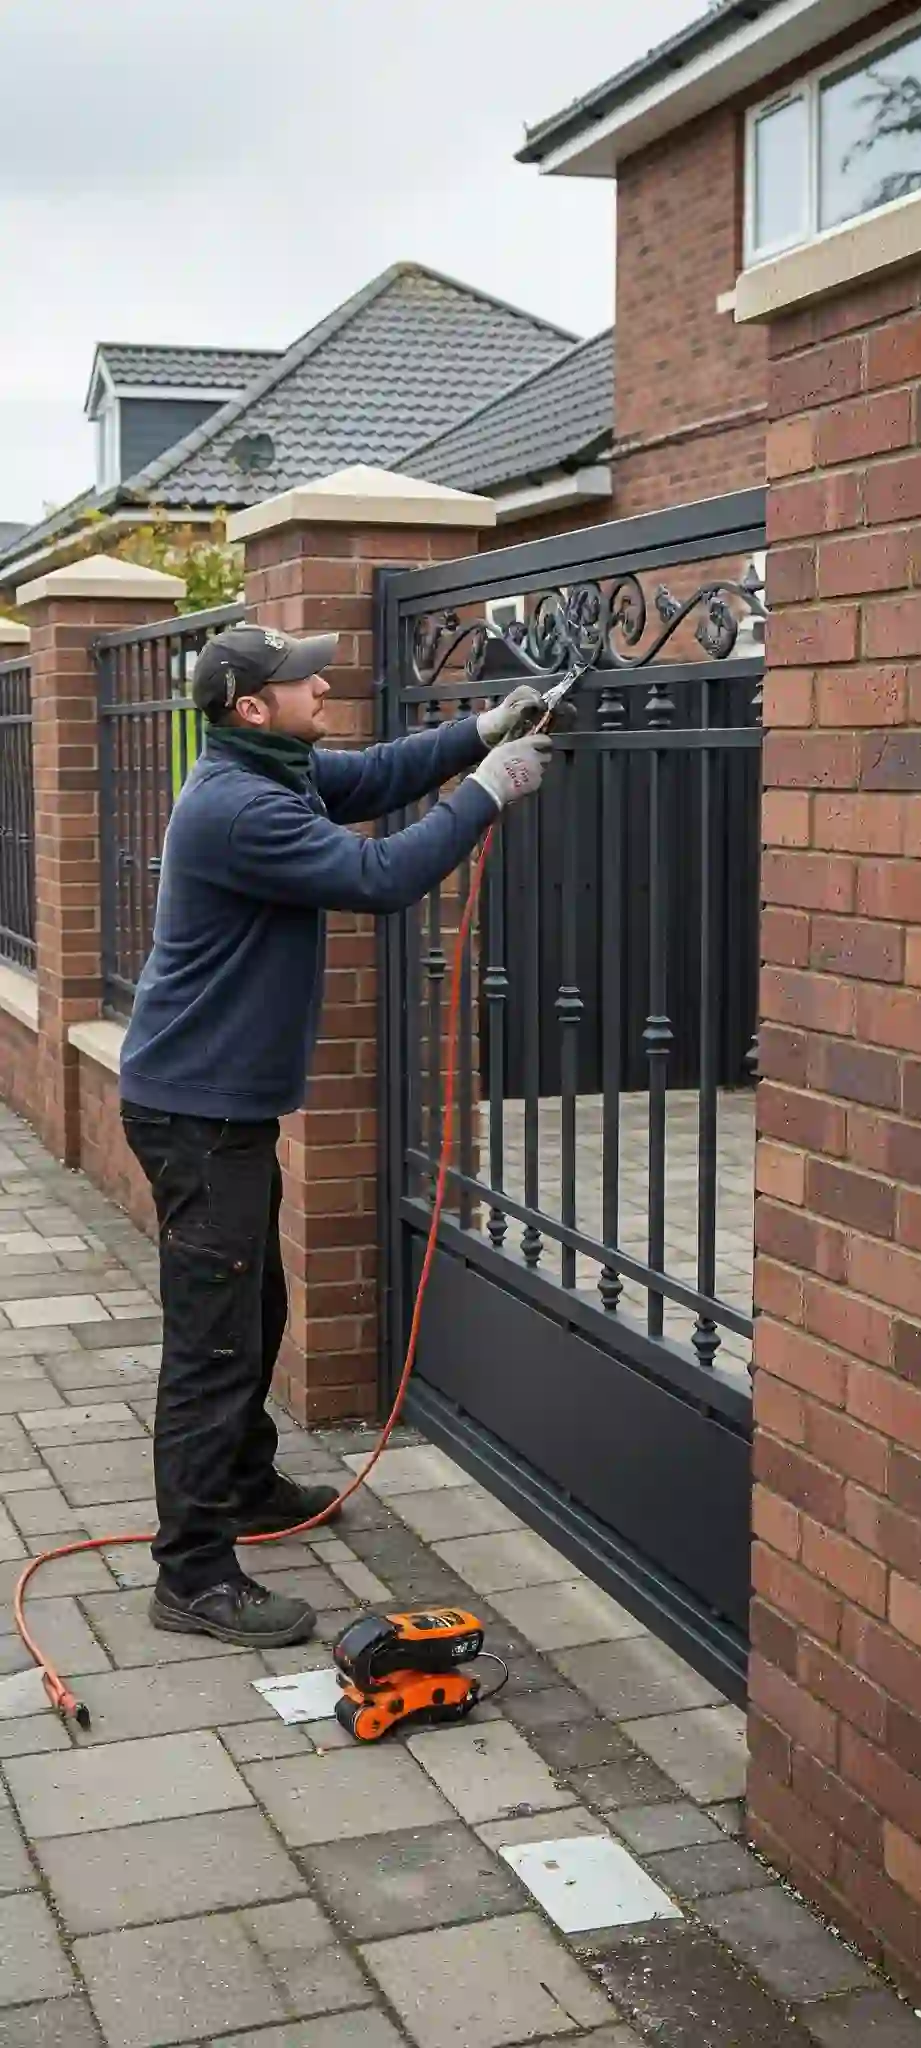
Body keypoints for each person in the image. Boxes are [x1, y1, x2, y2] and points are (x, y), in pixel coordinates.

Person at [118, 624, 552, 1647]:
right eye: (298, 676)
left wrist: (481, 728)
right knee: (213, 1341)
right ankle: (191, 1572)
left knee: (253, 1306)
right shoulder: (236, 809)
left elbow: (373, 774)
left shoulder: (272, 770)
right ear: (251, 705)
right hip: (196, 1113)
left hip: (217, 1106)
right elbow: (381, 877)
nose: (323, 680)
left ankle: (245, 1479)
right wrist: (493, 785)